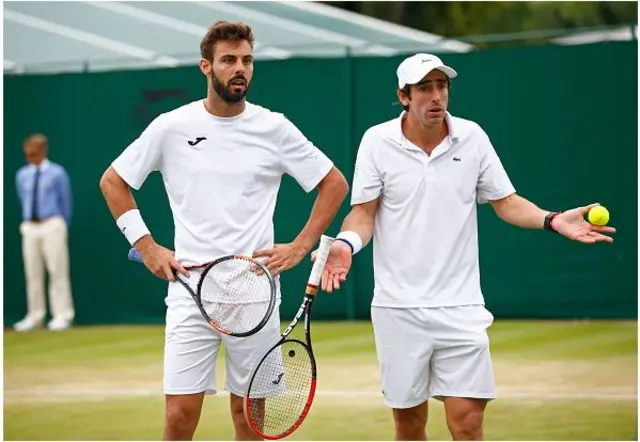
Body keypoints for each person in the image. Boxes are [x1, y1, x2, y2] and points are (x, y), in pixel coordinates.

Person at [315, 53, 616, 441]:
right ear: (404, 96)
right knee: (409, 426)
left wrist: (553, 219)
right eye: (425, 88)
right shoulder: (377, 141)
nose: (436, 96)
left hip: (461, 307)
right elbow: (363, 213)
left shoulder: (472, 137)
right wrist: (345, 244)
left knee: (469, 423)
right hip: (398, 308)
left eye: (442, 86)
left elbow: (506, 202)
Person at [99, 21, 348, 441]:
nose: (240, 69)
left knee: (248, 417)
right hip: (188, 289)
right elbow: (113, 181)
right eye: (229, 60)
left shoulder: (275, 128)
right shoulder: (170, 126)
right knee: (179, 417)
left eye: (247, 60)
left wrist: (303, 245)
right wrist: (147, 246)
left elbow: (334, 182)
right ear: (206, 67)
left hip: (256, 292)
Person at [14, 133, 75, 332]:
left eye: (34, 152)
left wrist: (61, 225)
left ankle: (62, 315)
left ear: (43, 150)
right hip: (30, 226)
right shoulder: (22, 175)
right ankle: (35, 315)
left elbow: (65, 202)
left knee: (57, 271)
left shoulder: (57, 173)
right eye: (27, 152)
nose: (30, 155)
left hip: (52, 224)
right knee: (33, 273)